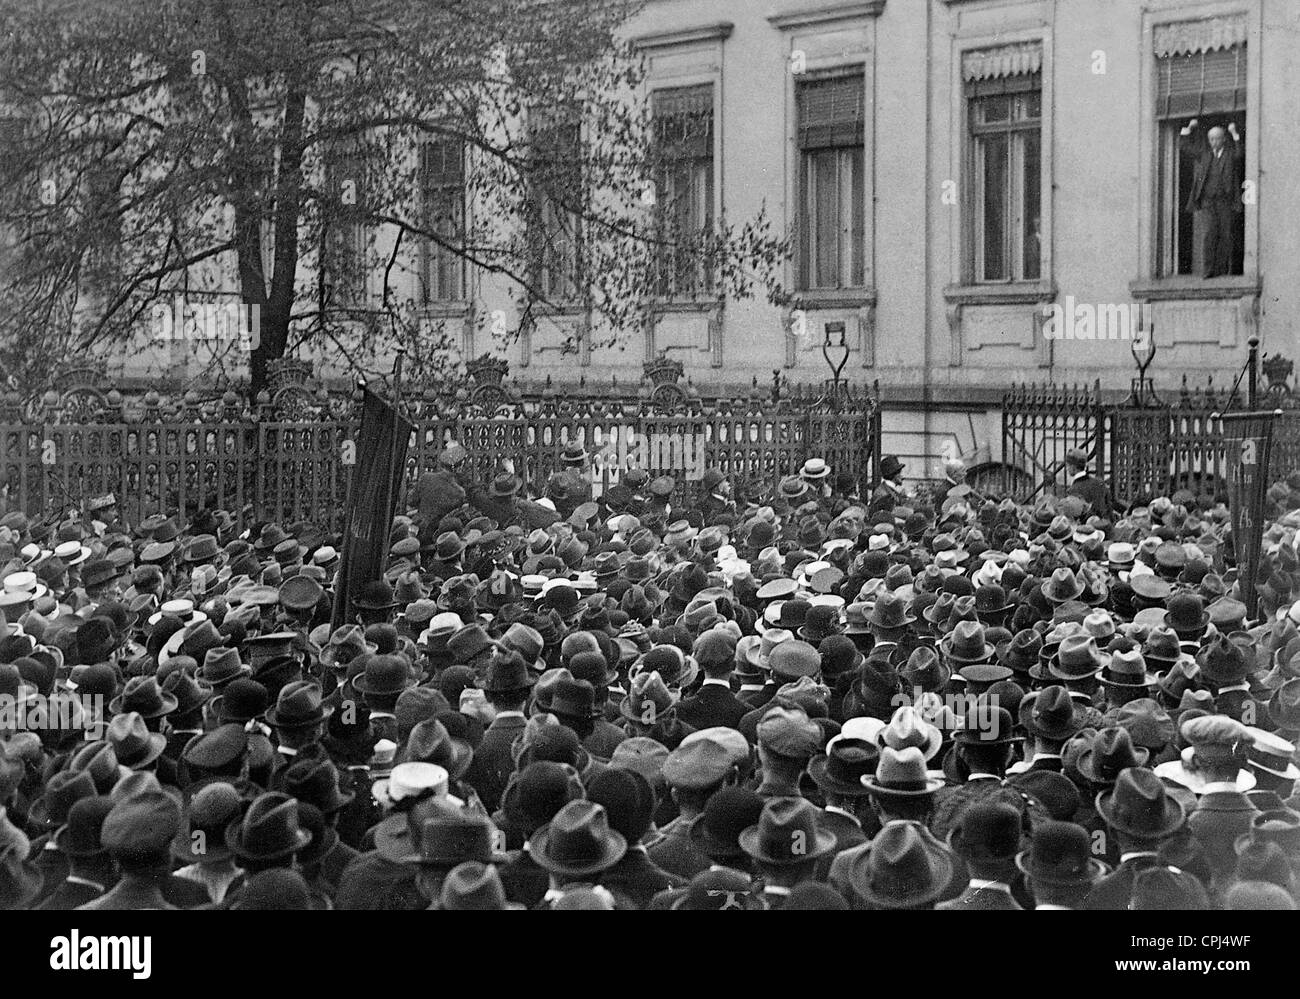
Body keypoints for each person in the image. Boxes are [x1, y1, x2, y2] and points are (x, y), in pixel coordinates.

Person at [1183, 119, 1244, 279]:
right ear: (1209, 140)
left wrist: (1234, 133)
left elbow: (1240, 153)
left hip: (1225, 201)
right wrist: (1189, 128)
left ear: (1223, 139)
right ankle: (1208, 271)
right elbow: (1185, 147)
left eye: (1217, 138)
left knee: (1226, 234)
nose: (1214, 142)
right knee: (1208, 234)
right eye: (1211, 139)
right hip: (1207, 202)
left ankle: (1224, 270)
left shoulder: (1230, 153)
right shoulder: (1204, 154)